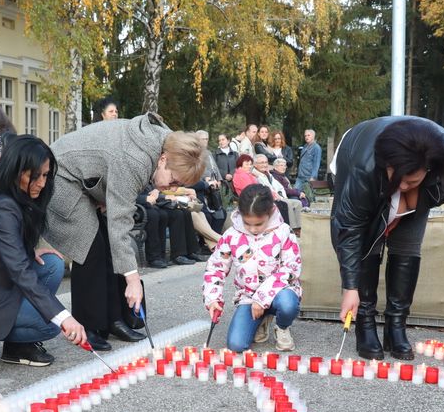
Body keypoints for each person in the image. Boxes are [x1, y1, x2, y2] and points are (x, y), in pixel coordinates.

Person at [47, 114, 207, 351]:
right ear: (163, 160)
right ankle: (89, 325)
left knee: (111, 248)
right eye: (173, 180)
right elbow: (121, 221)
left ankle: (113, 319)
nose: (171, 188)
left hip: (86, 178)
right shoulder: (136, 159)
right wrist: (132, 280)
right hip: (61, 175)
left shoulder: (168, 145)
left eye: (178, 185)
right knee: (90, 247)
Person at [0, 135, 87, 367]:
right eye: (34, 176)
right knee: (50, 323)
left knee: (52, 265)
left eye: (45, 175)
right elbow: (19, 270)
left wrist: (28, 250)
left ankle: (16, 347)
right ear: (15, 170)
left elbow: (7, 247)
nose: (42, 183)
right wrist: (64, 317)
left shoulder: (13, 197)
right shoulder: (0, 206)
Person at [331, 116, 444, 361]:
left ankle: (396, 325)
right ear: (385, 164)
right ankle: (365, 322)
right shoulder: (363, 167)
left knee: (408, 243)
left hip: (420, 184)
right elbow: (349, 228)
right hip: (358, 161)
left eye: (411, 180)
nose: (402, 185)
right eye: (396, 178)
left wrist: (406, 205)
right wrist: (350, 288)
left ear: (429, 169)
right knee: (369, 240)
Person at [203, 184, 302, 352]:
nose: (253, 229)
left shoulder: (284, 232)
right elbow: (216, 268)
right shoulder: (231, 236)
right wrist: (213, 298)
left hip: (280, 291)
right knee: (236, 345)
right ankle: (262, 319)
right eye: (247, 223)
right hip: (248, 297)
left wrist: (262, 298)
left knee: (287, 305)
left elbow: (291, 269)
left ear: (270, 213)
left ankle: (282, 326)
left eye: (258, 224)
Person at [137, 182, 195, 268]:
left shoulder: (149, 174)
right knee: (156, 215)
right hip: (137, 207)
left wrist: (161, 195)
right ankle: (154, 257)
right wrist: (147, 198)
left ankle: (180, 254)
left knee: (178, 213)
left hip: (154, 204)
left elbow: (157, 191)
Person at [295, 129, 322, 194]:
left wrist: (313, 177)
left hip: (309, 176)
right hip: (300, 176)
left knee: (309, 196)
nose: (306, 137)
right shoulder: (304, 146)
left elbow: (316, 164)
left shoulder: (316, 148)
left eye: (308, 135)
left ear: (313, 136)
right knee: (295, 192)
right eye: (305, 136)